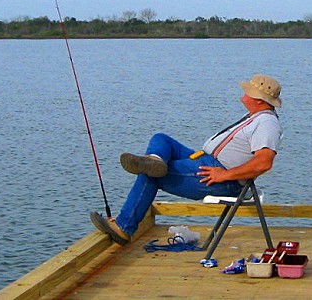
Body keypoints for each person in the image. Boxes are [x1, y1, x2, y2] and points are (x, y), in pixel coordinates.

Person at [91, 74, 283, 246]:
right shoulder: (256, 116)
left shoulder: (267, 123)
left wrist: (225, 175)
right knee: (161, 139)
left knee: (150, 176)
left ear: (259, 100)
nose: (244, 92)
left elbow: (263, 163)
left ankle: (124, 227)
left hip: (220, 178)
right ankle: (156, 160)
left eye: (248, 91)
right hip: (207, 161)